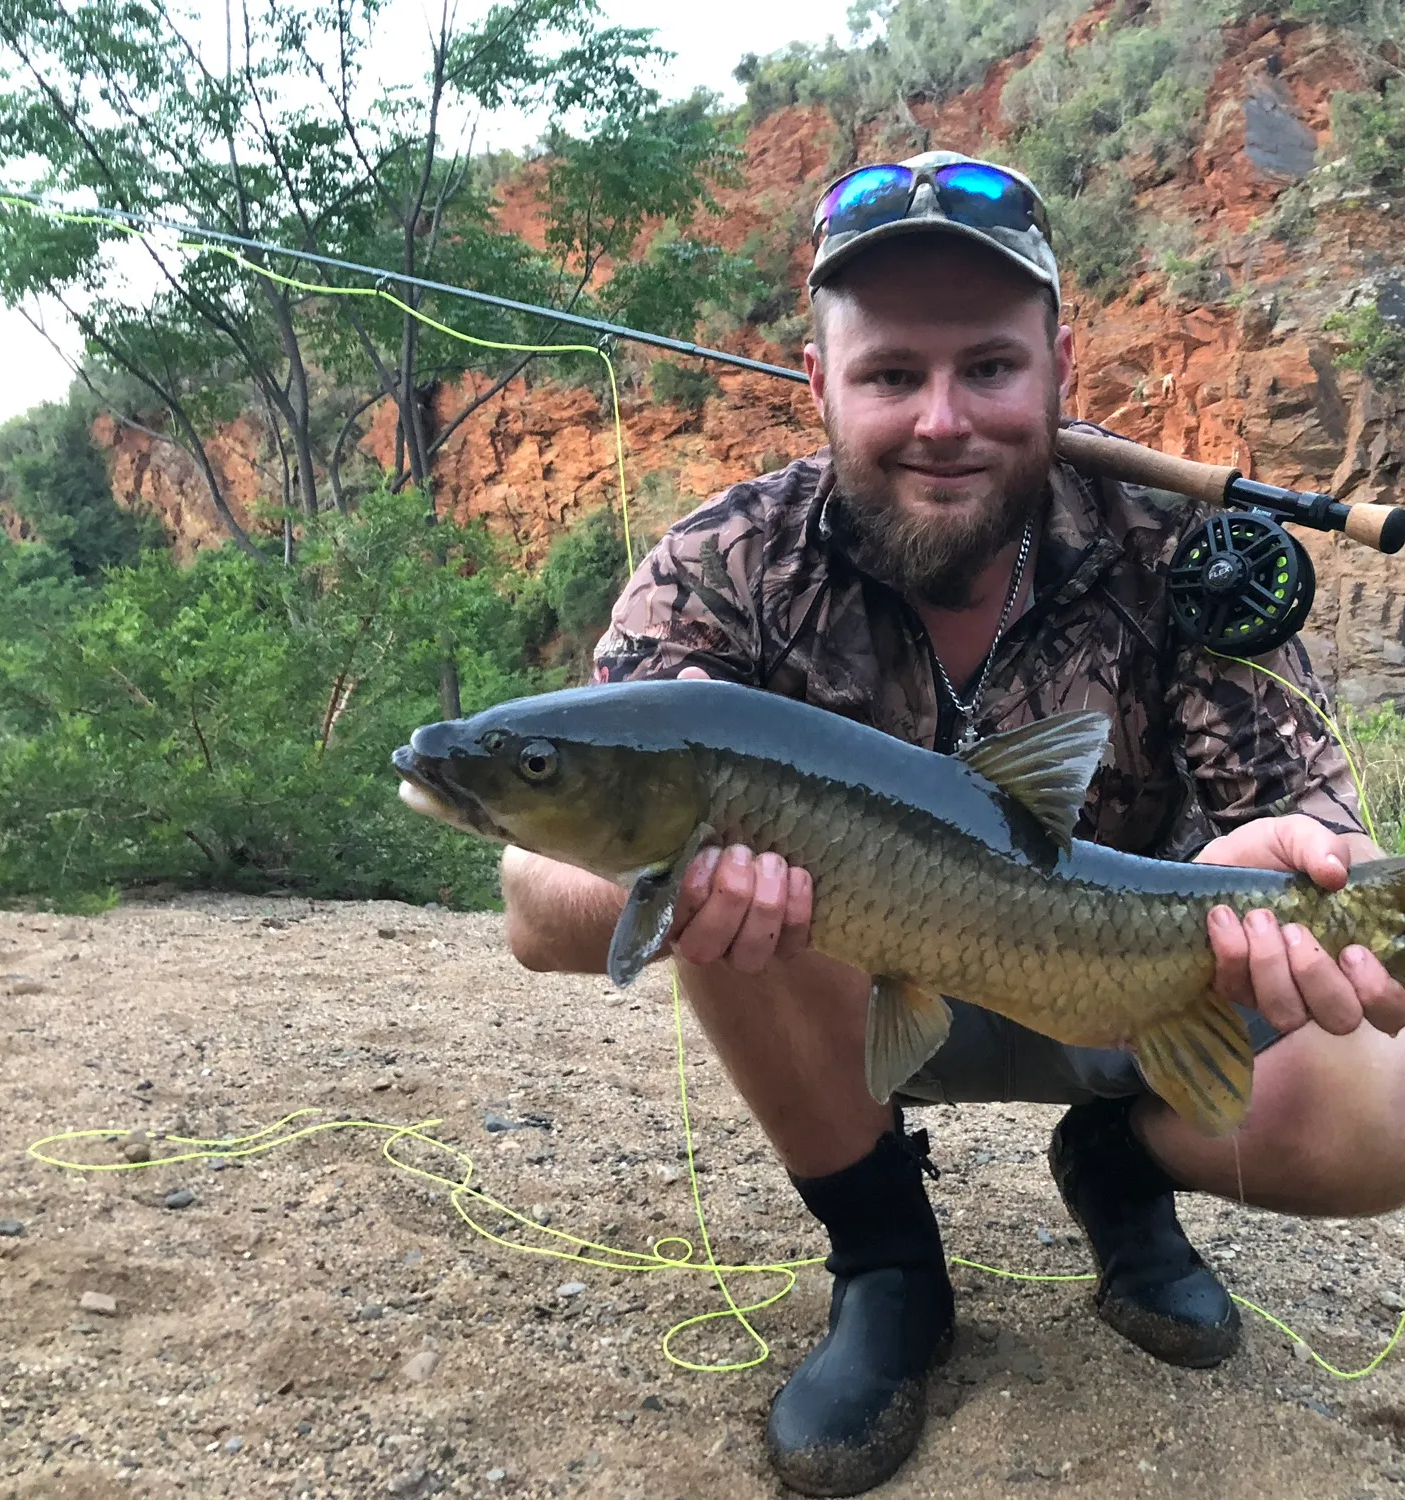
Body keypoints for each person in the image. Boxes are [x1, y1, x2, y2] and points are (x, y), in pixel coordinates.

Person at [499, 149, 1405, 1498]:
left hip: (1143, 983)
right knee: (712, 864)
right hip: (858, 1002)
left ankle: (1116, 1166)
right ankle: (887, 1270)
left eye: (987, 367)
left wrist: (1309, 883)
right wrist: (685, 886)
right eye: (890, 375)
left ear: (1059, 367)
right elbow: (533, 908)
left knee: (1384, 1122)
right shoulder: (727, 566)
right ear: (822, 384)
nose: (942, 419)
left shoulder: (1183, 557)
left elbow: (1319, 840)